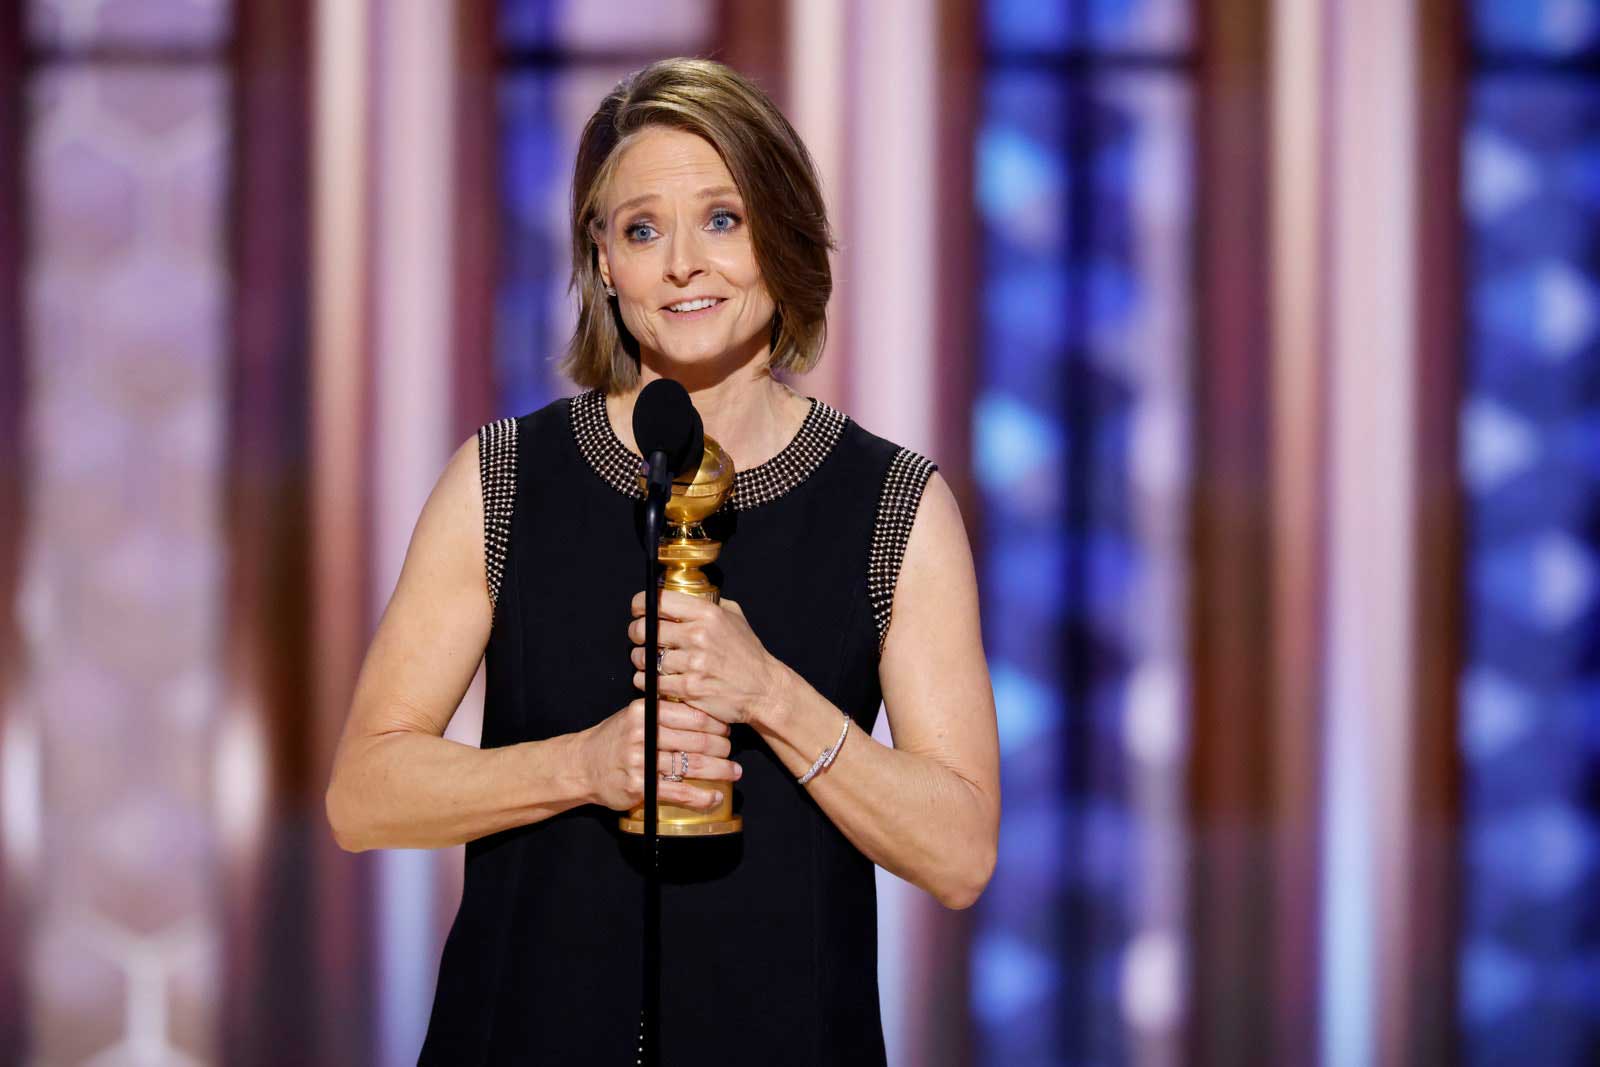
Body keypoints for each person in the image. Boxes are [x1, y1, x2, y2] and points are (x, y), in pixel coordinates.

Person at [324, 56, 999, 1065]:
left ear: (781, 231)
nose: (684, 264)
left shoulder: (894, 505)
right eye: (642, 230)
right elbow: (363, 794)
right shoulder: (503, 478)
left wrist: (770, 692)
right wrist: (584, 765)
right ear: (603, 262)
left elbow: (960, 852)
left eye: (722, 219)